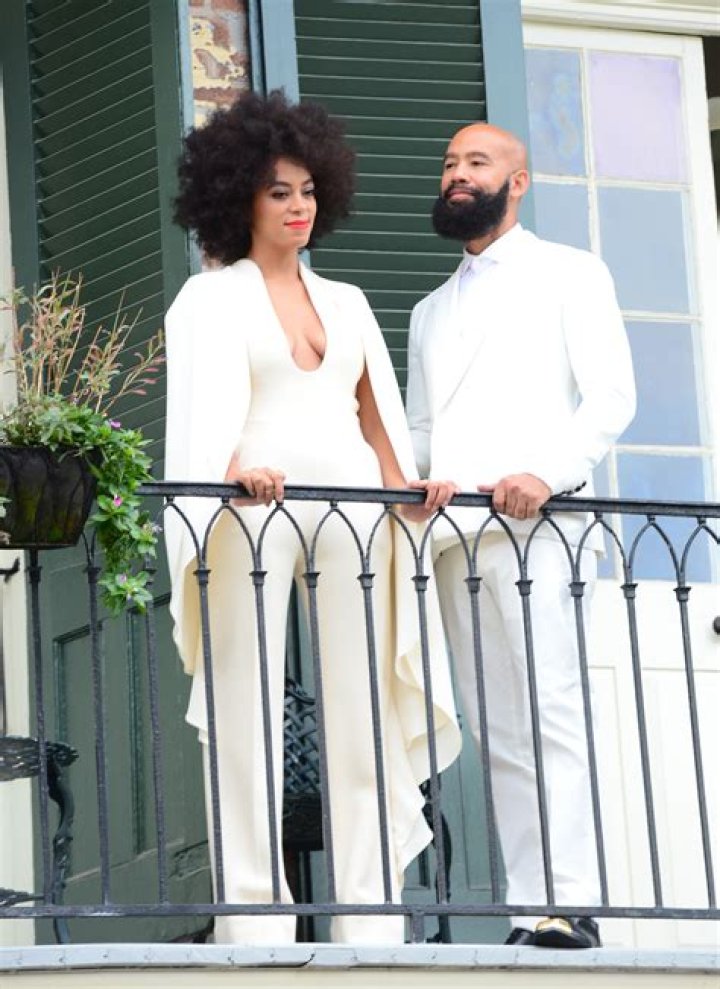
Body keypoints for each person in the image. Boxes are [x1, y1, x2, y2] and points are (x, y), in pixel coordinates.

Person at [163, 90, 461, 945]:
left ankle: (370, 915)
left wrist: (410, 486)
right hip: (250, 512)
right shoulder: (209, 300)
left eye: (307, 190)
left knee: (362, 712)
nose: (298, 207)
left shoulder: (351, 300)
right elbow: (200, 422)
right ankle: (255, 918)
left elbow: (376, 416)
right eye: (278, 192)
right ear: (239, 199)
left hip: (354, 511)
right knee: (245, 712)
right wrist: (231, 473)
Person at [406, 122, 636, 948]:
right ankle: (529, 907)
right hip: (457, 540)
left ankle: (573, 902)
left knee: (552, 711)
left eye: (477, 162)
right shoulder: (429, 311)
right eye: (450, 163)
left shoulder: (571, 272)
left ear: (519, 181)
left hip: (542, 526)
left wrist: (547, 471)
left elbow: (611, 396)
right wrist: (408, 482)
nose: (458, 174)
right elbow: (422, 429)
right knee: (499, 730)